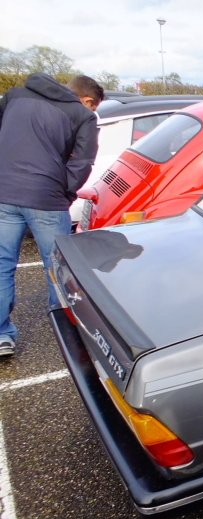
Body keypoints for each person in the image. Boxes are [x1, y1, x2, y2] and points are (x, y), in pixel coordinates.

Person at [0, 72, 103, 358]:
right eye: (93, 107)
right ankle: (66, 330)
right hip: (46, 197)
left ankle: (1, 336)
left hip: (3, 194)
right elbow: (83, 162)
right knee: (57, 267)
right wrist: (66, 193)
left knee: (2, 264)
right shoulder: (82, 116)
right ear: (87, 100)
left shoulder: (15, 96)